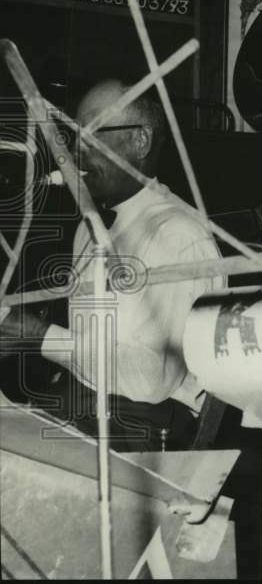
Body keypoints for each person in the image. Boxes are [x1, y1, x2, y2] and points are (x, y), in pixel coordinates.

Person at [0, 79, 223, 450]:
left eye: (93, 134)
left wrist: (39, 336)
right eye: (74, 135)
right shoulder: (89, 229)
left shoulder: (177, 235)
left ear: (141, 142)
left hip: (143, 429)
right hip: (88, 409)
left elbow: (152, 380)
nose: (75, 151)